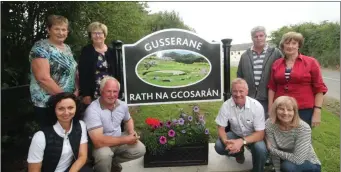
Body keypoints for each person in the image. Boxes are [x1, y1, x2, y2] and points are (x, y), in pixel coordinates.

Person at [83, 76, 145, 172]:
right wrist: (126, 139)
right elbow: (98, 141)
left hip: (118, 139)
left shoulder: (122, 105)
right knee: (104, 155)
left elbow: (128, 119)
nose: (112, 95)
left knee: (140, 149)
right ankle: (101, 167)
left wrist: (131, 132)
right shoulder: (92, 110)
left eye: (115, 91)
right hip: (101, 145)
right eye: (108, 91)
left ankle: (112, 163)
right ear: (101, 91)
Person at [268, 31, 328, 127]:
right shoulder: (276, 63)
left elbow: (319, 88)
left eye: (294, 43)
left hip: (304, 109)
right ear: (283, 46)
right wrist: (271, 108)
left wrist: (317, 111)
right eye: (287, 43)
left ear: (298, 45)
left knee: (301, 138)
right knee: (281, 136)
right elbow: (272, 87)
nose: (290, 46)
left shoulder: (311, 62)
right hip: (281, 109)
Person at [29, 14, 78, 128]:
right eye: (57, 29)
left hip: (67, 103)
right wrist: (66, 97)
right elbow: (43, 79)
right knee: (52, 139)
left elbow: (73, 71)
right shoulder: (41, 47)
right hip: (48, 103)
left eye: (63, 29)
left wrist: (77, 90)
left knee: (67, 136)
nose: (61, 33)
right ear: (48, 29)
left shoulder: (67, 48)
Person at [27, 92, 92, 172]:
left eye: (70, 108)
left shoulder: (80, 126)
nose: (66, 112)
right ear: (54, 110)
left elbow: (82, 156)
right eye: (61, 109)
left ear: (76, 108)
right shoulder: (40, 136)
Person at [214, 78, 267, 172]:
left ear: (247, 91)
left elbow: (260, 134)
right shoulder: (226, 105)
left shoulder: (256, 106)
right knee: (219, 146)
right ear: (231, 92)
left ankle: (257, 170)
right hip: (236, 134)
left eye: (241, 91)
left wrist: (242, 142)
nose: (238, 94)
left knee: (261, 149)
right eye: (235, 91)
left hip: (253, 136)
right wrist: (227, 142)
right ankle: (239, 153)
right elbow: (221, 128)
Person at [265, 96, 321, 172]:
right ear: (275, 110)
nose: (285, 113)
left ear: (294, 112)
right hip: (286, 159)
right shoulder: (270, 124)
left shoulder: (303, 128)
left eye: (289, 110)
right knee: (285, 166)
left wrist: (271, 150)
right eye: (281, 109)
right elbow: (274, 155)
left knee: (287, 166)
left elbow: (298, 160)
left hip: (308, 163)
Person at [237, 26, 282, 118]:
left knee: (268, 125)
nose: (258, 38)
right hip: (249, 98)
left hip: (268, 98)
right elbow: (240, 76)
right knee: (250, 124)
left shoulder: (275, 53)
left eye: (261, 35)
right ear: (252, 38)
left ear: (265, 36)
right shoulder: (245, 55)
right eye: (255, 36)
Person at [78, 22, 118, 106]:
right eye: (94, 33)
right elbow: (83, 73)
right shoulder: (86, 50)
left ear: (104, 35)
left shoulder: (112, 51)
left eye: (100, 33)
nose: (97, 35)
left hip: (110, 90)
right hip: (93, 90)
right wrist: (86, 94)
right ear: (91, 36)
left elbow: (118, 72)